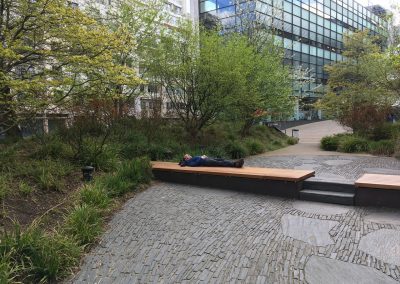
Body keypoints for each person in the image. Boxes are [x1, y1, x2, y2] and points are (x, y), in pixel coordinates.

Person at [178, 154, 244, 168]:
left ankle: (235, 162)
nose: (189, 155)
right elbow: (194, 164)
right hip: (205, 162)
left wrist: (203, 156)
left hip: (207, 159)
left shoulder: (191, 159)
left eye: (188, 155)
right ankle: (235, 164)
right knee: (220, 163)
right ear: (186, 159)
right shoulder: (188, 162)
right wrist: (201, 157)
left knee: (221, 159)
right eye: (187, 156)